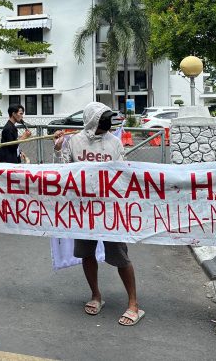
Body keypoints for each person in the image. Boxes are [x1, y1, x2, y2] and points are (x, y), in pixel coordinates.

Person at [53, 101, 144, 326]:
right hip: (84, 209)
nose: (107, 123)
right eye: (103, 119)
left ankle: (134, 304)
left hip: (110, 208)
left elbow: (122, 173)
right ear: (92, 121)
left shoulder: (114, 142)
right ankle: (95, 295)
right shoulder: (73, 141)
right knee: (86, 252)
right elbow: (63, 171)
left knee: (120, 255)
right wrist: (57, 148)